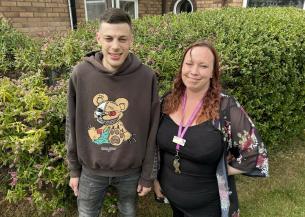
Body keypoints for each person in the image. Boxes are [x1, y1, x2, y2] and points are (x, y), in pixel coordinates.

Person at [153, 40, 269, 217]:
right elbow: (156, 147)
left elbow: (256, 155)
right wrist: (155, 179)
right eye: (189, 64)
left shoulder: (226, 108)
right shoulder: (168, 101)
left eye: (203, 66)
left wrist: (222, 170)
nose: (194, 71)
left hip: (209, 206)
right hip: (174, 201)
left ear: (212, 73)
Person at [65, 8, 160, 217]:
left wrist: (147, 175)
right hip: (91, 171)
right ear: (98, 38)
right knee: (87, 213)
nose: (115, 46)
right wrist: (74, 169)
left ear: (131, 40)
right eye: (108, 38)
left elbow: (153, 129)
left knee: (128, 211)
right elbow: (71, 124)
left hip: (131, 173)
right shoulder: (81, 74)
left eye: (122, 39)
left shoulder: (146, 77)